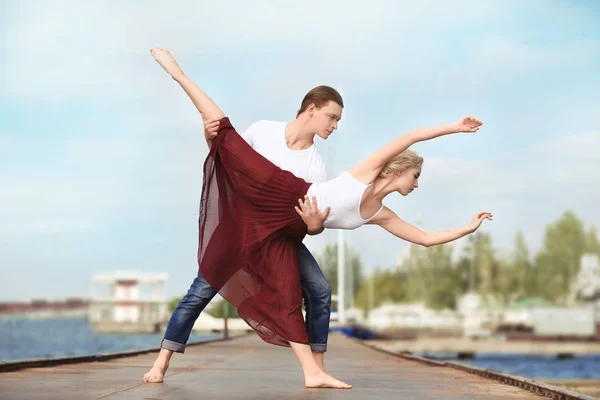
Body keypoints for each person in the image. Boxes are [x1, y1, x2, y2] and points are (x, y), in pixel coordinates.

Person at [149, 48, 492, 389]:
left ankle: (316, 371)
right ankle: (177, 72)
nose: (417, 184)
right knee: (224, 135)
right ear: (400, 169)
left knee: (312, 290)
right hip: (273, 194)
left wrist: (468, 227)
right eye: (415, 176)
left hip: (290, 221)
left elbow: (425, 238)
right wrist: (454, 128)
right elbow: (410, 137)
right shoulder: (358, 171)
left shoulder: (376, 210)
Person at [143, 79, 344, 383]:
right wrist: (209, 139)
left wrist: (315, 227)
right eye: (332, 117)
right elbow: (228, 158)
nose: (335, 125)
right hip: (237, 230)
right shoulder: (263, 130)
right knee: (199, 293)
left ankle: (317, 367)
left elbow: (308, 222)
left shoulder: (315, 167)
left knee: (320, 290)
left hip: (277, 239)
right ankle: (161, 363)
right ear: (311, 109)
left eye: (338, 121)